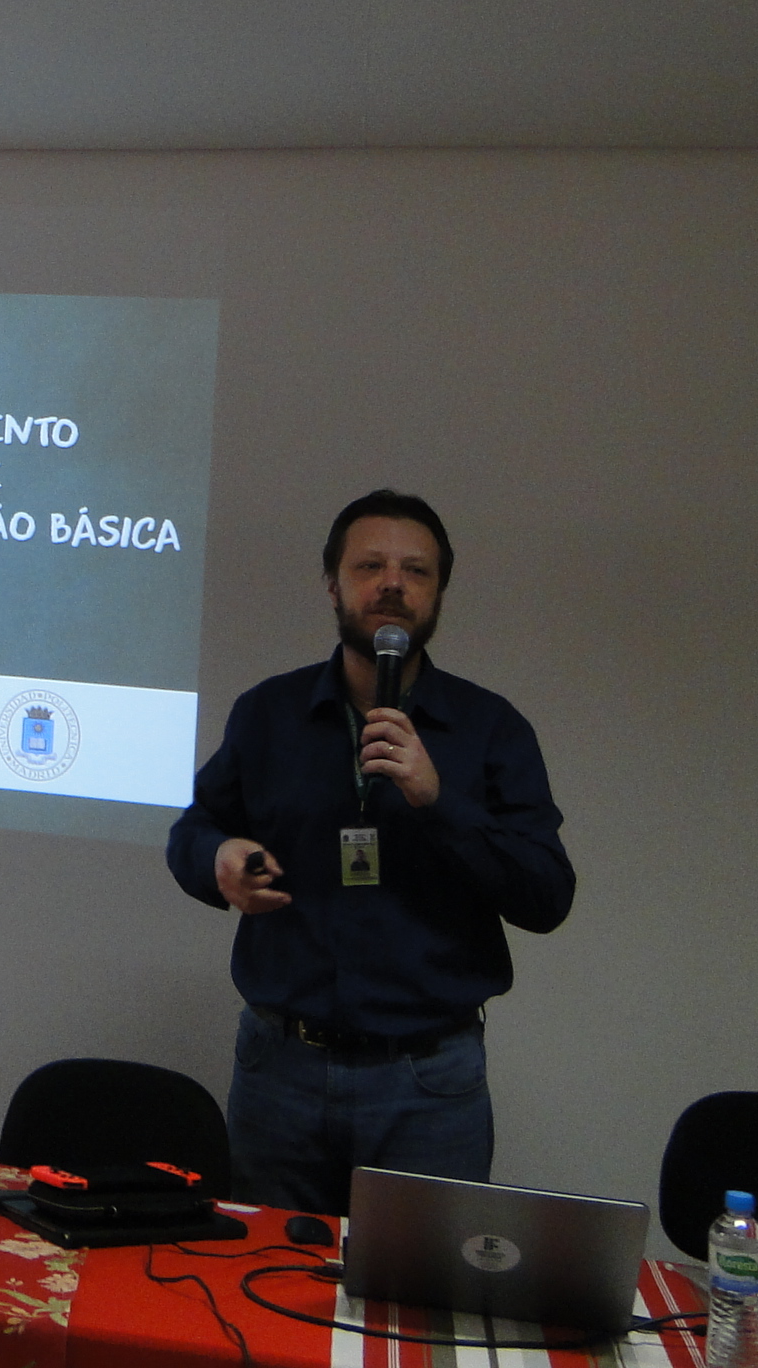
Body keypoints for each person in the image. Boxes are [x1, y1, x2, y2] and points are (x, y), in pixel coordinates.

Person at [166, 491, 574, 1214]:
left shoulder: (490, 727)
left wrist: (438, 799)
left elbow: (546, 894)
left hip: (426, 1081)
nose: (392, 584)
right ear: (333, 584)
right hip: (280, 1070)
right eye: (370, 567)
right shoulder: (269, 713)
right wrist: (219, 856)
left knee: (418, 1285)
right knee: (264, 1275)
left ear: (438, 592)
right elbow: (192, 831)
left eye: (416, 570)